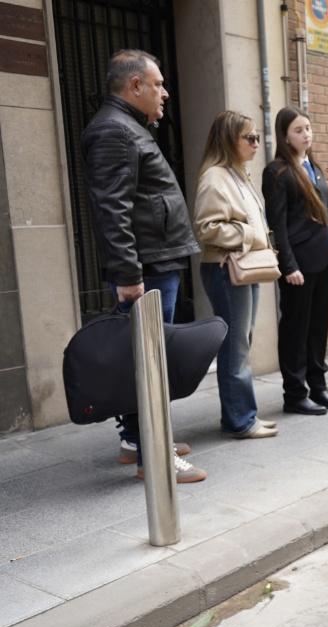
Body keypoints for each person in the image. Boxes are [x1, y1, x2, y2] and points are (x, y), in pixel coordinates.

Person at [81, 49, 204, 483]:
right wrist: (128, 274)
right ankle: (153, 457)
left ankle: (138, 441)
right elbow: (112, 209)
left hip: (154, 260)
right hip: (146, 268)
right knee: (149, 365)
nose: (165, 93)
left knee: (147, 360)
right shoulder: (114, 131)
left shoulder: (127, 126)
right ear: (135, 86)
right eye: (158, 84)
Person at [193, 111, 278, 440]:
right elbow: (207, 228)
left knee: (241, 342)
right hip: (225, 267)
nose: (256, 143)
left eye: (257, 137)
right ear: (230, 140)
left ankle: (241, 415)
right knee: (235, 345)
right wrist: (249, 235)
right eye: (249, 138)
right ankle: (241, 419)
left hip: (239, 266)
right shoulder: (215, 177)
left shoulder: (238, 174)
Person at [263, 107, 328, 415]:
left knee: (317, 329)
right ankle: (295, 394)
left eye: (308, 128)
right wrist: (288, 266)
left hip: (322, 258)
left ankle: (318, 387)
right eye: (299, 130)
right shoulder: (277, 171)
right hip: (298, 263)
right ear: (285, 136)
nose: (306, 134)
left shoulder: (313, 167)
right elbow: (277, 224)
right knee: (295, 330)